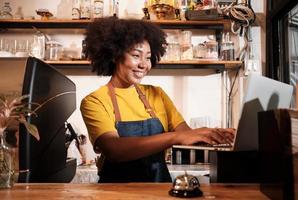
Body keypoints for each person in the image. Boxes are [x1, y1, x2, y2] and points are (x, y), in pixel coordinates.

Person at [80, 17, 235, 183]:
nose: (144, 65)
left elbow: (184, 134)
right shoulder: (95, 101)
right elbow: (114, 149)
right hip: (116, 191)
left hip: (159, 187)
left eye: (148, 57)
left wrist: (210, 134)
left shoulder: (157, 94)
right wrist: (174, 137)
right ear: (114, 56)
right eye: (136, 55)